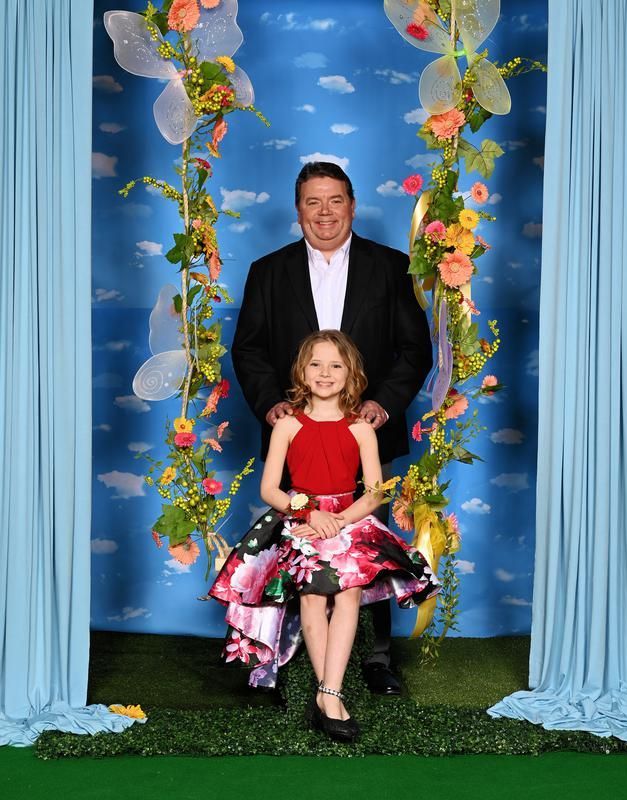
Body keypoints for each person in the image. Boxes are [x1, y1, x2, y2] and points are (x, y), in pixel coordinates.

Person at [231, 161, 432, 694]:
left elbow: (415, 350)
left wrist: (383, 405)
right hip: (297, 436)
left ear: (353, 205)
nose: (325, 212)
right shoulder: (268, 271)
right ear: (298, 210)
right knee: (293, 549)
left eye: (335, 200)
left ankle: (377, 658)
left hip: (366, 432)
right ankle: (282, 654)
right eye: (313, 202)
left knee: (368, 546)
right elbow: (248, 350)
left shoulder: (392, 266)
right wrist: (272, 406)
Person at [208, 331, 440, 742]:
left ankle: (328, 694)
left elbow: (374, 492)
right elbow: (269, 489)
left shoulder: (361, 428)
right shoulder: (287, 425)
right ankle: (328, 695)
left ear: (351, 374)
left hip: (349, 521)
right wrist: (310, 514)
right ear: (301, 371)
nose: (325, 373)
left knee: (348, 593)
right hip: (301, 520)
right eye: (316, 364)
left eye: (336, 365)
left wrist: (340, 520)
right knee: (313, 596)